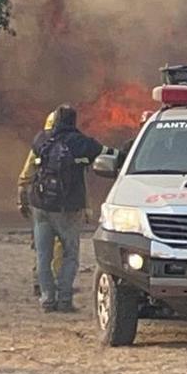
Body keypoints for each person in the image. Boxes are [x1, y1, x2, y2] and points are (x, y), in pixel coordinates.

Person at [20, 104, 116, 313]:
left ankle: (47, 300)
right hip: (68, 209)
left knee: (43, 255)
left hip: (41, 205)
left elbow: (29, 169)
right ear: (74, 121)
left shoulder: (40, 139)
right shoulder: (81, 143)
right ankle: (64, 300)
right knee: (70, 254)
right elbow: (110, 153)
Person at [17, 110, 65, 298]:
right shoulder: (69, 147)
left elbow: (26, 175)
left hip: (40, 202)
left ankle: (40, 283)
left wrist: (22, 200)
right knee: (59, 245)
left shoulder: (39, 145)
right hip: (62, 205)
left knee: (41, 245)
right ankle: (53, 284)